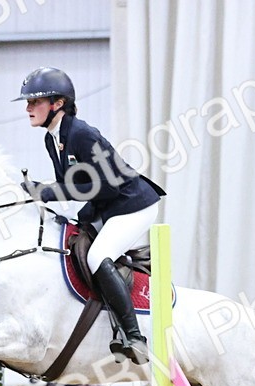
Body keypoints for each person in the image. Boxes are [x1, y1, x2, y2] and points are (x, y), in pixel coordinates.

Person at [15, 67, 165, 364]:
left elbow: (106, 185)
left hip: (132, 204)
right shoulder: (51, 139)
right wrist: (42, 194)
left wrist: (47, 192)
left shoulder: (83, 134)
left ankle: (134, 337)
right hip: (106, 206)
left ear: (57, 104)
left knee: (97, 256)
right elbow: (71, 185)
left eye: (35, 101)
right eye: (28, 102)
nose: (28, 108)